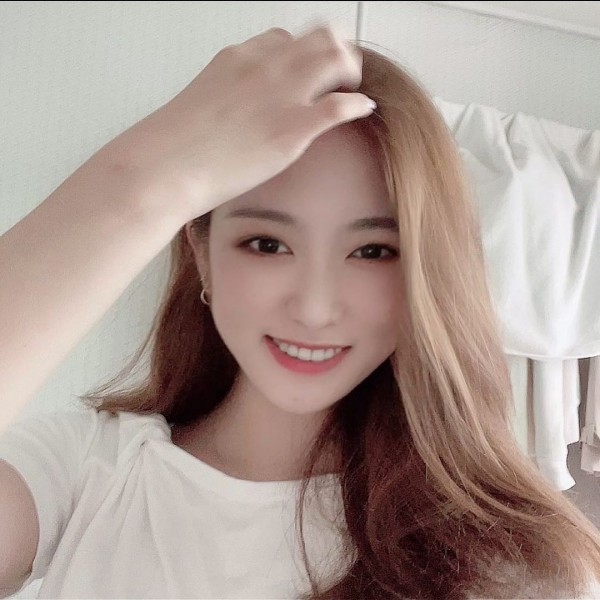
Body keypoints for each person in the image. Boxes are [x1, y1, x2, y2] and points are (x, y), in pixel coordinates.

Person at [0, 23, 599, 600]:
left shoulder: (513, 566)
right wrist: (148, 179)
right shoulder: (82, 473)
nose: (314, 310)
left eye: (373, 251)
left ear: (427, 270)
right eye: (267, 244)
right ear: (202, 254)